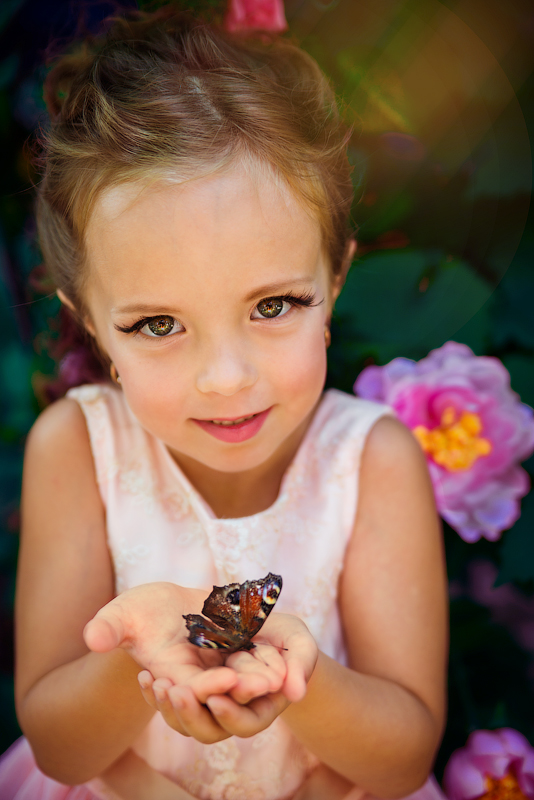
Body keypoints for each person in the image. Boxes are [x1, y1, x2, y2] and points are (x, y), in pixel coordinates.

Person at [0, 7, 448, 800]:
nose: (226, 378)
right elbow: (61, 748)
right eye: (159, 324)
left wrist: (301, 678)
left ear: (335, 280)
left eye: (274, 306)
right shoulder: (75, 447)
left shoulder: (371, 459)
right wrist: (138, 648)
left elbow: (404, 755)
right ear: (90, 320)